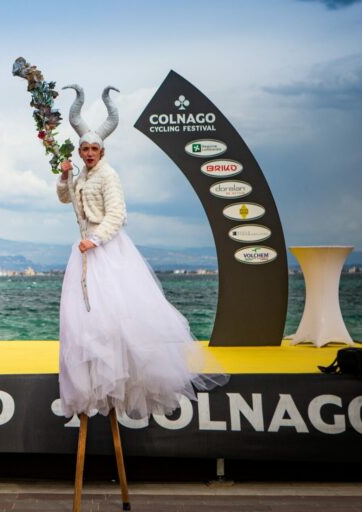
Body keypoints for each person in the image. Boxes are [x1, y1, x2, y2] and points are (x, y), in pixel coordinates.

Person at [56, 84, 228, 421]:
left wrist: (96, 239)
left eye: (94, 148)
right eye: (85, 149)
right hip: (86, 251)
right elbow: (66, 199)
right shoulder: (82, 175)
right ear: (79, 151)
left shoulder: (109, 175)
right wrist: (64, 177)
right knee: (85, 320)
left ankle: (118, 378)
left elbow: (117, 215)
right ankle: (93, 380)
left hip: (106, 250)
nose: (89, 153)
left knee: (116, 316)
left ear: (102, 151)